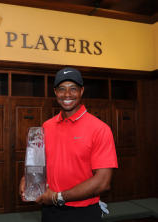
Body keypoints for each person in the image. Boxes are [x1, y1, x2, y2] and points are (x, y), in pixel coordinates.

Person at [19, 67, 118, 222]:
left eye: (73, 89)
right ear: (55, 92)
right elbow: (37, 164)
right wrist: (27, 179)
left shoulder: (100, 129)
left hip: (83, 213)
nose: (67, 94)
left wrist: (57, 197)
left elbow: (103, 182)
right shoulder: (46, 126)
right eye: (61, 89)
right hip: (50, 211)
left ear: (82, 91)